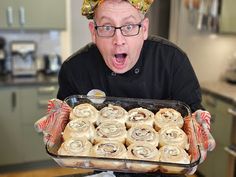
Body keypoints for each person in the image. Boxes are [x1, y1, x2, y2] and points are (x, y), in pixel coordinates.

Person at [35, 0, 215, 176]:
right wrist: (59, 125)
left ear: (144, 29)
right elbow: (66, 120)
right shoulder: (75, 69)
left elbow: (192, 112)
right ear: (93, 32)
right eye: (107, 27)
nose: (118, 40)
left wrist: (198, 126)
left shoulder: (173, 61)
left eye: (128, 26)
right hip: (104, 167)